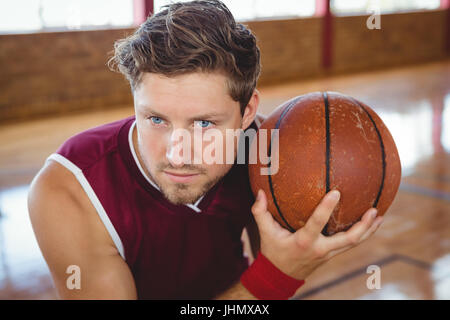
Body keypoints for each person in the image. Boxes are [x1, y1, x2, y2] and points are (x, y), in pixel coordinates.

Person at [27, 0, 383, 300]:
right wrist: (276, 277)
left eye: (204, 124)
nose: (178, 154)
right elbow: (272, 275)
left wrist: (300, 246)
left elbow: (273, 255)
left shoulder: (264, 152)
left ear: (247, 112)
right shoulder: (70, 189)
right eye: (156, 120)